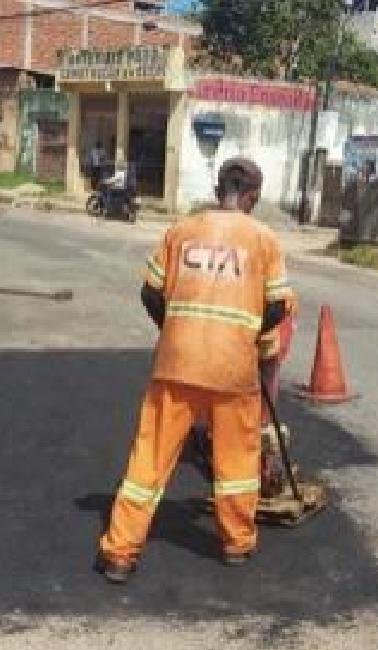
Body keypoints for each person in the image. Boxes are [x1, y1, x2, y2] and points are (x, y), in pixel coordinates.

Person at [96, 158, 294, 584]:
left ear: (218, 186)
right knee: (237, 461)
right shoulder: (262, 239)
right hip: (232, 370)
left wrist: (177, 328)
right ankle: (236, 543)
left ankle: (119, 553)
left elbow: (150, 293)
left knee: (148, 460)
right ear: (253, 196)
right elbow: (277, 305)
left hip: (177, 363)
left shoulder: (182, 231)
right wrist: (253, 341)